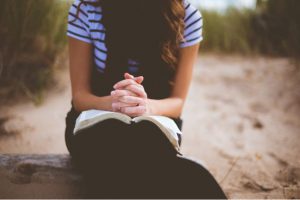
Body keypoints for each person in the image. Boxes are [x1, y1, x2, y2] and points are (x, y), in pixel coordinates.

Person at [64, 0, 227, 198]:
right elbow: (80, 97)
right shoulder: (87, 9)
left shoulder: (187, 17)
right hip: (94, 121)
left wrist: (145, 106)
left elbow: (177, 103)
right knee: (109, 147)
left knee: (143, 143)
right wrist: (115, 103)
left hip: (155, 123)